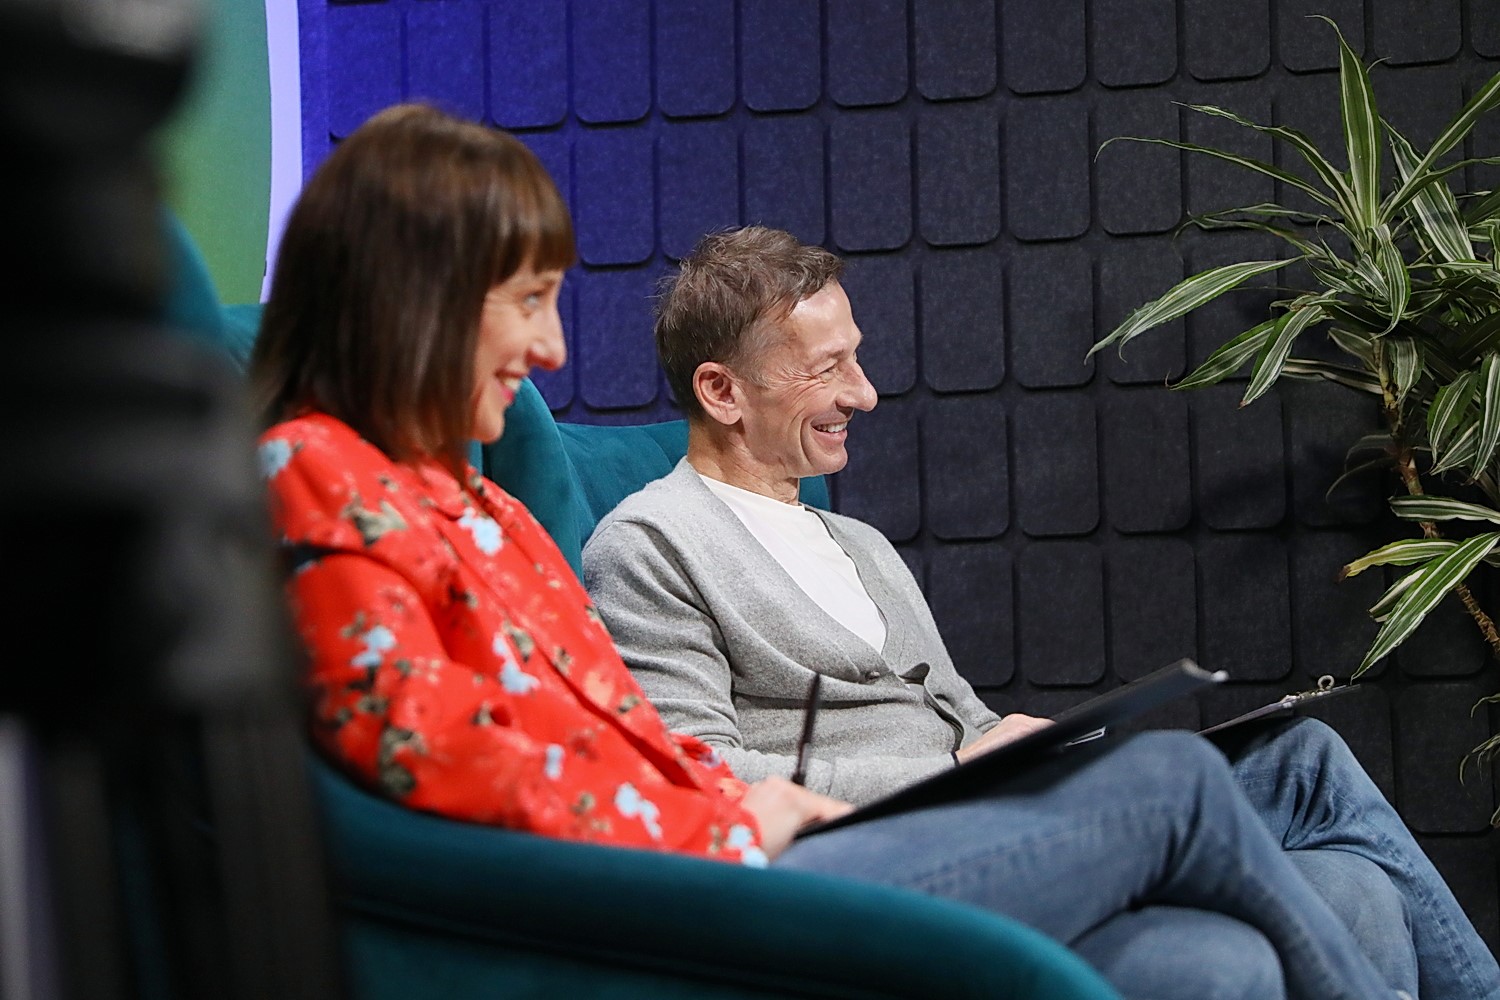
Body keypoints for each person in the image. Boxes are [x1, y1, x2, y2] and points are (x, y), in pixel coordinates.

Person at [250, 104, 1416, 1000]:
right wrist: (727, 818)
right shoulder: (311, 473)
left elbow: (631, 737)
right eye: (530, 299)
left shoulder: (486, 511)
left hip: (734, 847)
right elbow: (428, 751)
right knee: (1172, 782)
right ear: (415, 298)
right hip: (680, 891)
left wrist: (753, 799)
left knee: (1223, 951)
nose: (554, 348)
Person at [582, 226, 1500, 1000]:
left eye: (856, 358)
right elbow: (697, 773)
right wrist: (953, 768)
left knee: (1311, 779)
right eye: (830, 369)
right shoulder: (651, 543)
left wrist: (1020, 743)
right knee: (1201, 818)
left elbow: (957, 716)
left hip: (990, 809)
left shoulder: (857, 542)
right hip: (889, 850)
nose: (864, 393)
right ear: (722, 392)